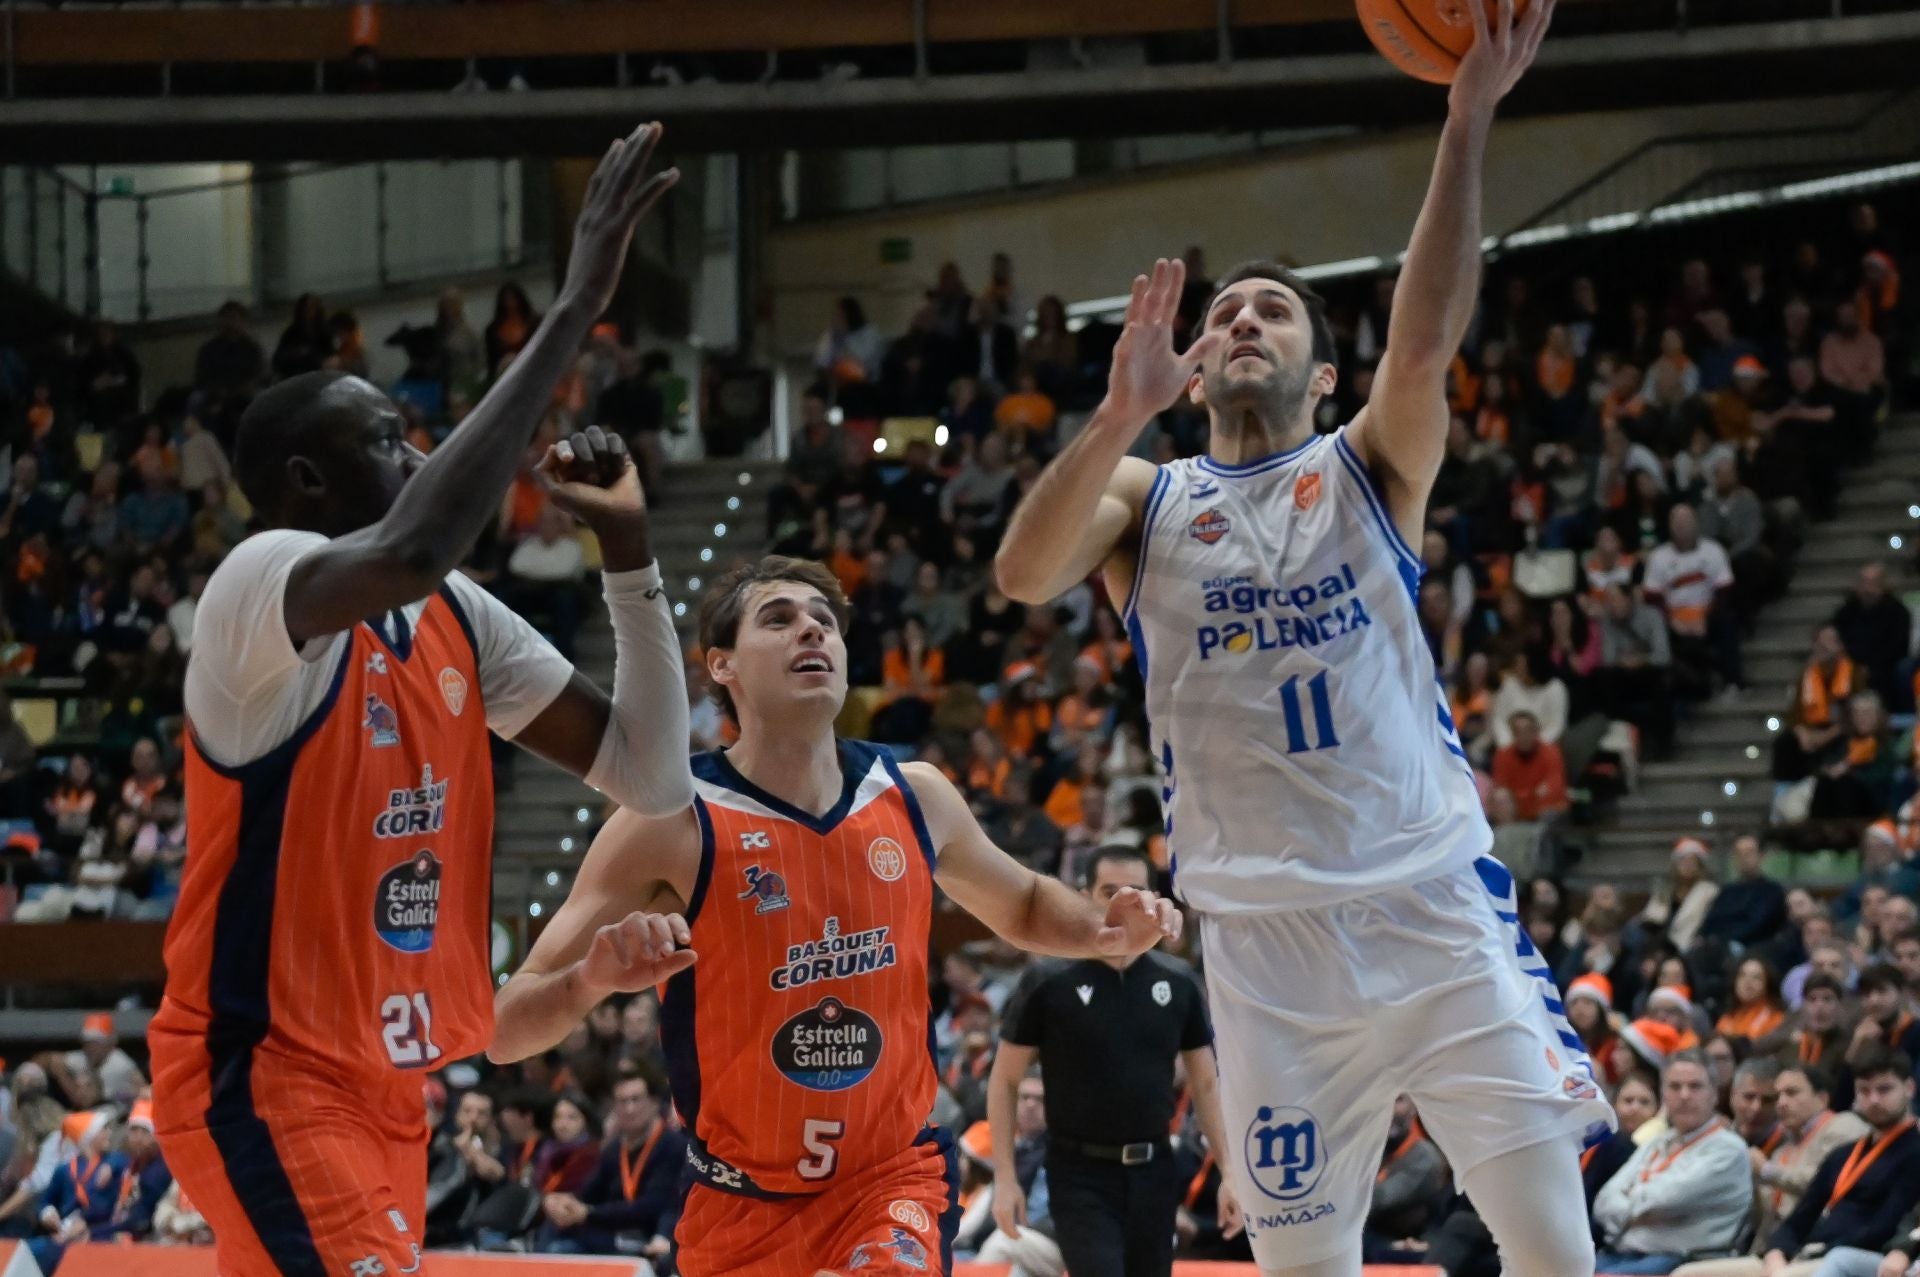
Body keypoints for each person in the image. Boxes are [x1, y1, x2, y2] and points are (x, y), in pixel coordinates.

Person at [993, 8, 1611, 1276]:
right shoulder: (1146, 497)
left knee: (1557, 1254)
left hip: (1430, 905)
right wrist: (1115, 416)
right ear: (1192, 367)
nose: (1241, 322)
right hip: (1264, 946)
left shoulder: (1370, 464)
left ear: (1325, 375)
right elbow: (1022, 574)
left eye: (1273, 312)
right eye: (1224, 313)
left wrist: (1466, 118)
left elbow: (1424, 340)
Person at [145, 123, 690, 1277]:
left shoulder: (454, 616)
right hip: (261, 1075)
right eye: (388, 438)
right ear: (307, 479)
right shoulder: (254, 584)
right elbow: (410, 543)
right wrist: (572, 309)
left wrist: (629, 547)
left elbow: (649, 772)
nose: (417, 452)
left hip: (390, 1091)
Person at [487, 556, 1183, 1277]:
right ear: (722, 665)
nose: (812, 629)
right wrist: (591, 980)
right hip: (739, 1205)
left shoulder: (914, 794)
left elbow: (1027, 902)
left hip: (890, 1181)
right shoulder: (669, 821)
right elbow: (504, 1032)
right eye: (779, 618)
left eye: (824, 620)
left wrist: (1103, 930)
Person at [987, 847, 1240, 1277]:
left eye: (1136, 891)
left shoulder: (1178, 982)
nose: (1125, 902)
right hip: (1078, 1173)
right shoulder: (1048, 980)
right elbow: (1006, 1079)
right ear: (1085, 896)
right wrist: (1005, 1178)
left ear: (1155, 899)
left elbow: (1206, 1084)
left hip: (1155, 1171)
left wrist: (1230, 1171)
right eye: (1110, 891)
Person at [1756, 1048, 1920, 1277]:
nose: (1874, 1099)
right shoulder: (1842, 1155)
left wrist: (1819, 1250)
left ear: (1909, 1088)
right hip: (1815, 1254)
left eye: (1884, 1089)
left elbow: (1888, 1225)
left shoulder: (1914, 1150)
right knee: (1706, 1272)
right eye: (1864, 1091)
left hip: (1866, 1257)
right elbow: (1801, 1217)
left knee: (1829, 1262)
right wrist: (1777, 1252)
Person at [1591, 1051, 1754, 1274]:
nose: (1684, 1095)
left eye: (1695, 1086)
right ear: (1664, 1095)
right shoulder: (1656, 1142)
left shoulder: (1728, 1149)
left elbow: (1662, 1200)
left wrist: (1629, 1199)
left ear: (1715, 1094)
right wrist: (1638, 1209)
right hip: (1619, 1254)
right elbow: (1603, 1200)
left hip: (1683, 1262)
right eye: (1675, 1087)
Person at [536, 1063, 684, 1258]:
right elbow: (590, 1191)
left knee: (561, 1247)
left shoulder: (673, 1145)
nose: (629, 1109)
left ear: (654, 1101)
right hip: (616, 1233)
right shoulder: (614, 1149)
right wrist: (565, 1203)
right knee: (554, 1227)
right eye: (622, 1101)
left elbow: (653, 1205)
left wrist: (588, 1213)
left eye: (636, 1099)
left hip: (653, 1236)